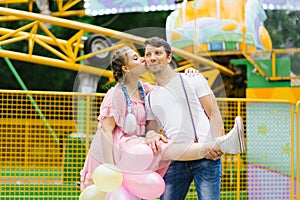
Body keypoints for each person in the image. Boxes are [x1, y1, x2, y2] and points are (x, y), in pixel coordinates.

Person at [80, 45, 245, 198]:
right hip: (119, 148)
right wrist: (110, 165)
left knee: (148, 163)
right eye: (136, 58)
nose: (144, 60)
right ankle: (219, 145)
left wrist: (190, 74)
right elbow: (106, 131)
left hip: (138, 146)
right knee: (162, 147)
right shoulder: (115, 94)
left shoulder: (146, 91)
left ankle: (219, 145)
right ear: (126, 68)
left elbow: (166, 87)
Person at [144, 36, 245, 200]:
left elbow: (213, 113)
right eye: (148, 54)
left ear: (169, 58)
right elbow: (152, 129)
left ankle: (228, 142)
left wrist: (218, 146)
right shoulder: (150, 98)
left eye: (158, 53)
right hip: (176, 159)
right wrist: (151, 134)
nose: (153, 57)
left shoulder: (191, 79)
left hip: (205, 155)